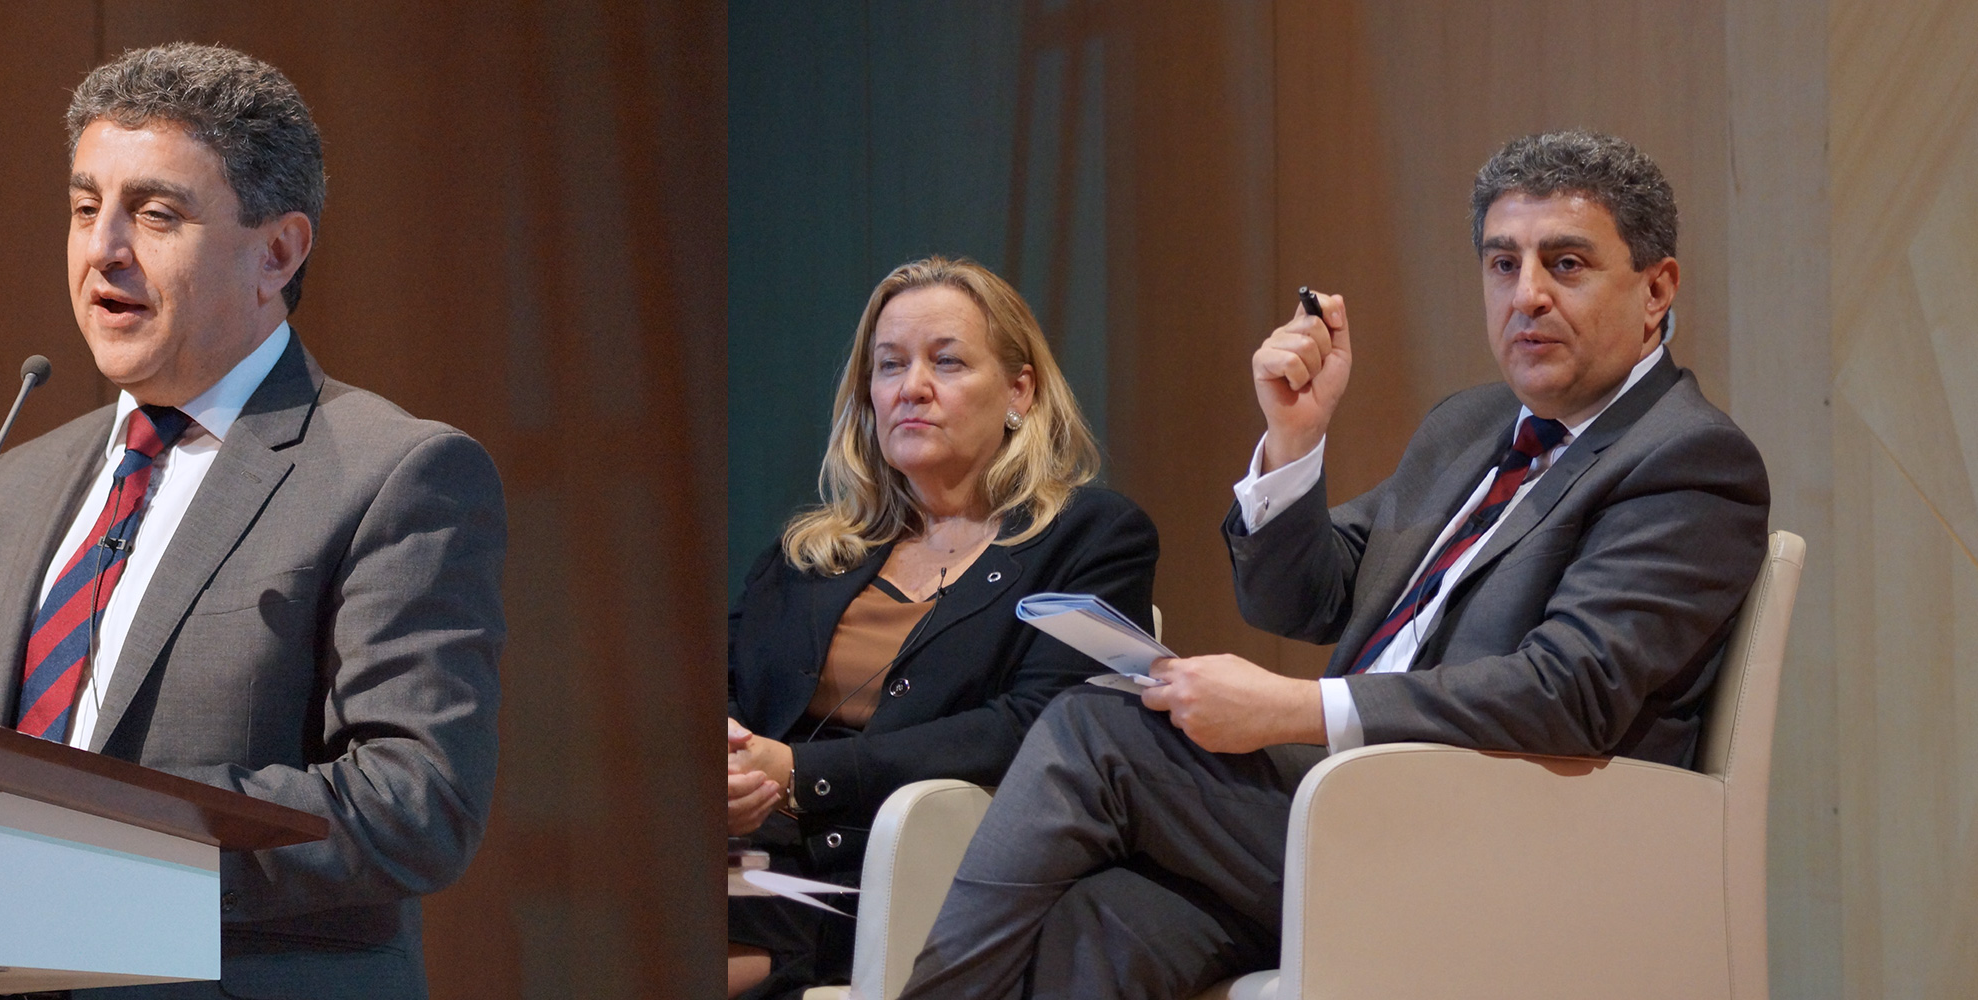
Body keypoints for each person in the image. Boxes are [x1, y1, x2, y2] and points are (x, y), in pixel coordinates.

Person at [897, 131, 1771, 999]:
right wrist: (1293, 441)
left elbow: (1567, 694)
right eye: (1503, 265)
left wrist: (1289, 709)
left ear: (1657, 290)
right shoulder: (1469, 426)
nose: (1527, 295)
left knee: (1096, 731)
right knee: (1100, 928)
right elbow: (1305, 599)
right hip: (1346, 814)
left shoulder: (1686, 459)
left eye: (1567, 264)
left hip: (1499, 840)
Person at [0, 43, 503, 1000]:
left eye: (155, 214)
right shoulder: (20, 483)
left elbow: (417, 803)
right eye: (83, 207)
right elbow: (11, 778)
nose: (103, 249)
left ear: (277, 252)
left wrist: (109, 832)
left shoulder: (392, 472)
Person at [727, 256, 1160, 999]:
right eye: (890, 365)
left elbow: (1037, 728)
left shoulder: (1087, 536)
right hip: (749, 851)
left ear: (1019, 390)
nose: (912, 388)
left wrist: (800, 774)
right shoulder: (810, 554)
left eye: (947, 362)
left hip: (916, 867)